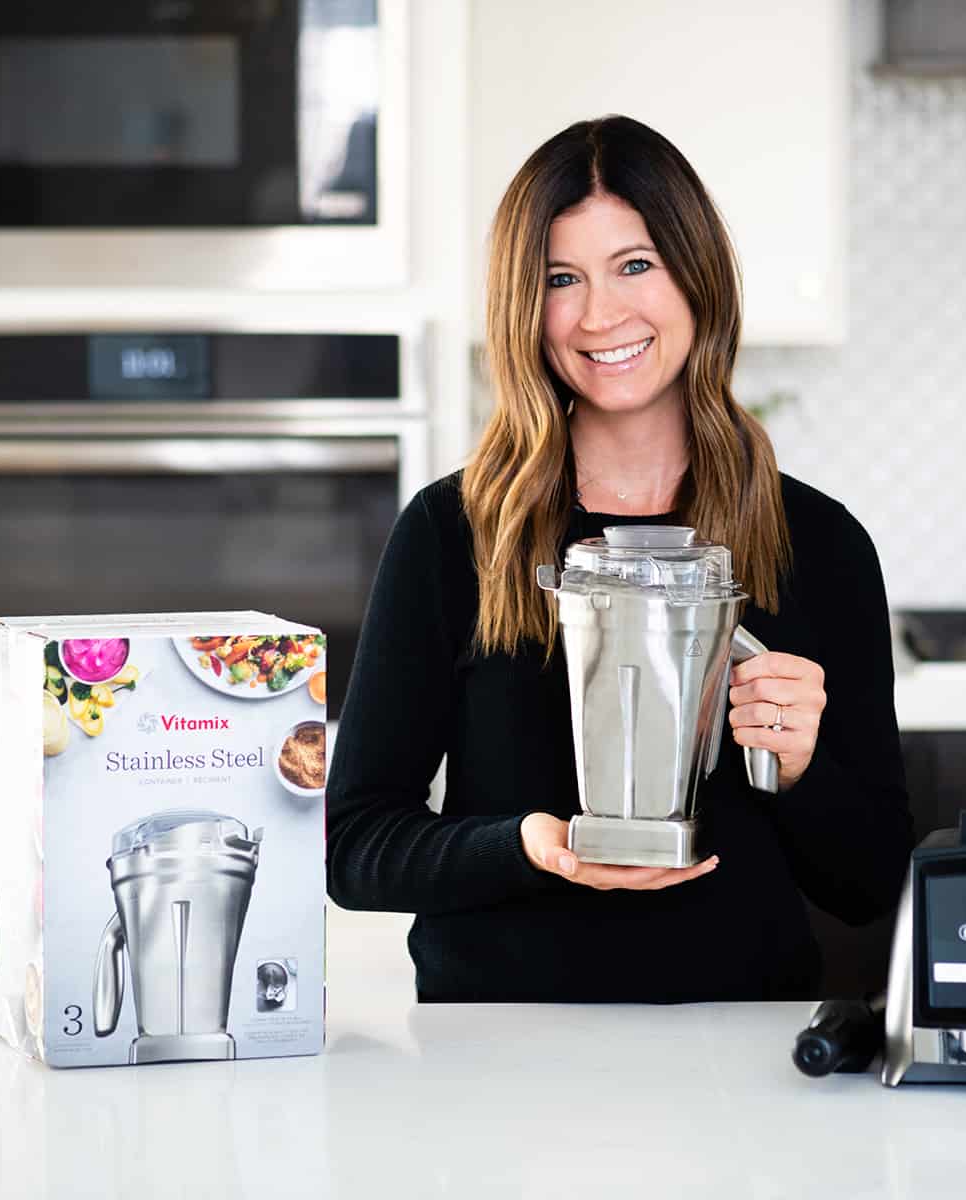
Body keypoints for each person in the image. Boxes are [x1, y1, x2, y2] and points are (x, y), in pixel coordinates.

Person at [326, 116, 913, 1002]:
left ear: (696, 272)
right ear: (527, 307)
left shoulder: (818, 543)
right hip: (496, 1069)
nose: (601, 315)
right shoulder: (454, 533)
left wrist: (800, 770)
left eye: (635, 264)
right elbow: (355, 848)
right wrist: (526, 845)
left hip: (737, 1063)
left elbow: (870, 887)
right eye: (562, 279)